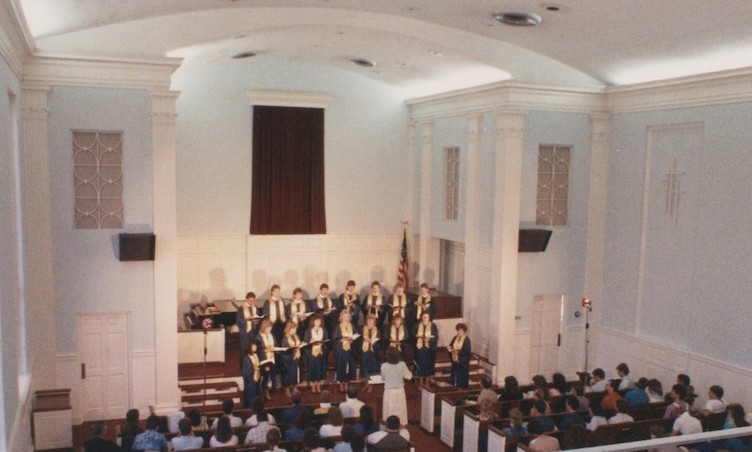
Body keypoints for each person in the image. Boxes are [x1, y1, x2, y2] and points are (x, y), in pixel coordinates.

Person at [380, 346, 413, 425]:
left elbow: (383, 378)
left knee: (389, 409)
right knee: (400, 409)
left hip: (389, 391)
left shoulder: (384, 366)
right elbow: (409, 376)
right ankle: (401, 426)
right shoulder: (402, 364)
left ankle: (388, 426)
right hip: (400, 391)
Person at [333, 309, 358, 393]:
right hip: (341, 350)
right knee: (341, 367)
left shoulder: (352, 326)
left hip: (349, 350)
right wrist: (342, 340)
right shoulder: (338, 327)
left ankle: (346, 385)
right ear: (341, 317)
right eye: (344, 317)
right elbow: (335, 339)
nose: (346, 318)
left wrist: (352, 340)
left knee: (348, 367)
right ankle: (341, 385)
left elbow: (356, 336)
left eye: (348, 317)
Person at [304, 313, 328, 394]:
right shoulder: (309, 331)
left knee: (320, 370)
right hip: (312, 353)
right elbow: (305, 343)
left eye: (319, 321)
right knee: (313, 370)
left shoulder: (323, 330)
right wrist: (310, 343)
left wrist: (323, 344)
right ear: (313, 321)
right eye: (316, 321)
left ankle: (318, 385)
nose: (318, 323)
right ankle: (313, 386)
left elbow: (326, 340)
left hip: (320, 353)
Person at [413, 311, 438, 388]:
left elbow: (435, 336)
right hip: (420, 348)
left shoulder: (433, 325)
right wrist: (416, 336)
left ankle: (427, 384)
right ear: (421, 317)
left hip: (429, 348)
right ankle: (421, 384)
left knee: (427, 366)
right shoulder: (417, 325)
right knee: (420, 366)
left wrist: (429, 340)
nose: (425, 319)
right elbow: (413, 335)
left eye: (427, 317)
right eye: (424, 317)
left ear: (429, 318)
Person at [237, 291, 263, 366]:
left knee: (253, 349)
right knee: (244, 350)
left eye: (253, 300)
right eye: (250, 300)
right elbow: (239, 321)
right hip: (245, 333)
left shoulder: (255, 308)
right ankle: (243, 367)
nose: (252, 302)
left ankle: (253, 365)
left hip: (253, 332)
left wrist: (256, 321)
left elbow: (258, 319)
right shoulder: (241, 309)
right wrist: (247, 319)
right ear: (246, 300)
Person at [359, 314, 381, 392]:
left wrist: (373, 343)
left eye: (372, 321)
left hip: (373, 352)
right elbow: (358, 340)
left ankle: (371, 385)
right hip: (364, 351)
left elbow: (379, 342)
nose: (370, 322)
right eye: (369, 321)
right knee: (365, 369)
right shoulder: (362, 329)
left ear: (374, 322)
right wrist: (364, 341)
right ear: (366, 321)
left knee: (372, 369)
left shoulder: (377, 330)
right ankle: (366, 384)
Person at [257, 319, 279, 399]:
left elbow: (275, 344)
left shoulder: (272, 335)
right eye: (268, 328)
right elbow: (258, 350)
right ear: (264, 327)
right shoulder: (259, 337)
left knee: (271, 375)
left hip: (272, 358)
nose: (270, 329)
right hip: (264, 359)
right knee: (265, 377)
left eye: (271, 327)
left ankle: (269, 391)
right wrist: (266, 350)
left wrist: (275, 349)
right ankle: (264, 393)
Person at [281, 320, 303, 397]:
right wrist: (293, 350)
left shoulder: (296, 336)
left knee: (296, 374)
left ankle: (295, 388)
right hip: (289, 359)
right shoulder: (285, 339)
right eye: (292, 329)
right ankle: (287, 389)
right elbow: (285, 350)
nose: (294, 330)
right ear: (288, 329)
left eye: (295, 329)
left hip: (297, 358)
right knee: (288, 375)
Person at [448, 322, 471, 388]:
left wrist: (458, 352)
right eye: (458, 330)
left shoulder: (467, 340)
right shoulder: (455, 337)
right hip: (455, 360)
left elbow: (466, 351)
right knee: (455, 375)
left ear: (464, 331)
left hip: (462, 362)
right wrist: (450, 348)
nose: (458, 332)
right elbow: (451, 345)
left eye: (460, 330)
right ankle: (454, 385)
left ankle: (462, 389)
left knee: (461, 379)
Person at [242, 341, 264, 408]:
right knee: (251, 396)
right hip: (251, 380)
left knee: (258, 393)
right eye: (253, 346)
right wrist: (254, 369)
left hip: (257, 378)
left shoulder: (256, 355)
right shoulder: (246, 358)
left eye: (256, 346)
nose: (255, 347)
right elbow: (247, 371)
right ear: (249, 347)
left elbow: (258, 365)